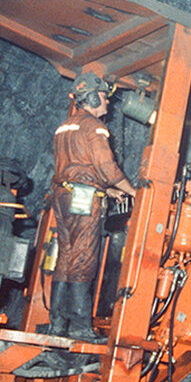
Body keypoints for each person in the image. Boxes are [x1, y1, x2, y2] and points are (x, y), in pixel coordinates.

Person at [49, 72, 136, 340]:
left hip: (63, 195)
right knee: (84, 255)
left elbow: (77, 167)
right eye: (104, 97)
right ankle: (80, 326)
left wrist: (108, 191)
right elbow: (106, 168)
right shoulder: (94, 127)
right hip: (83, 198)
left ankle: (58, 323)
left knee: (66, 255)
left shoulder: (65, 127)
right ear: (92, 97)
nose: (108, 103)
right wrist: (132, 191)